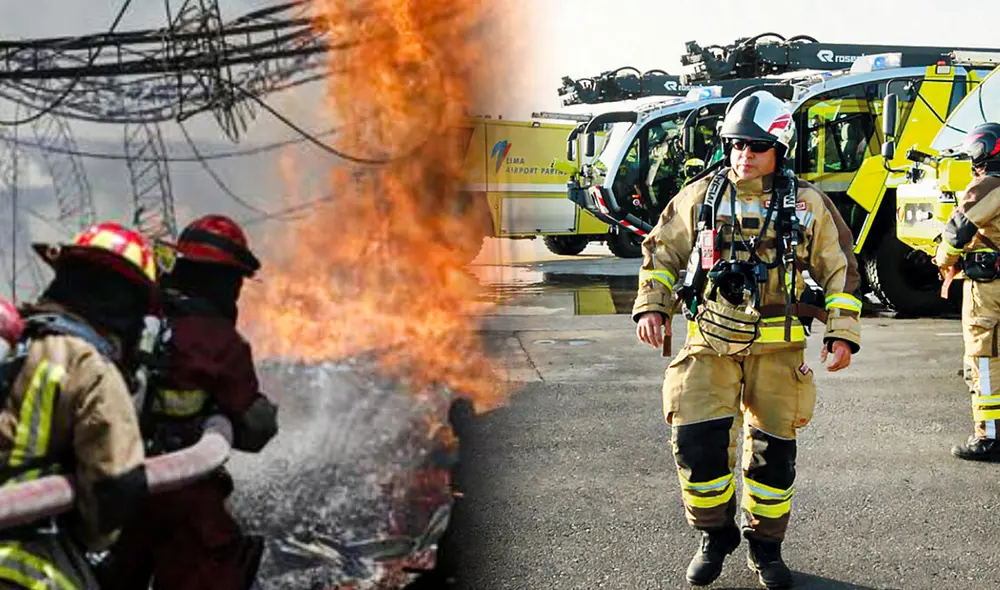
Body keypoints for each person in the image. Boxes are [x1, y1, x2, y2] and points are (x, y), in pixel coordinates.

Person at [633, 91, 862, 589]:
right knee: (697, 444)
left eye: (756, 145)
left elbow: (840, 271)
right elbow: (662, 255)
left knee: (773, 454)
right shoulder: (700, 197)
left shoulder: (810, 205)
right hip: (709, 344)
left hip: (779, 352)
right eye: (736, 144)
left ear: (780, 146)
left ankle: (766, 548)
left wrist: (842, 333)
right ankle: (715, 536)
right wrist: (653, 306)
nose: (744, 154)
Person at [104, 215, 278, 590]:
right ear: (227, 281)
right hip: (179, 494)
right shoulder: (219, 340)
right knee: (214, 568)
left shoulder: (140, 314)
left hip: (109, 484)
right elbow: (256, 427)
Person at [0, 222, 155, 589]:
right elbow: (116, 483)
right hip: (29, 568)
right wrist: (91, 537)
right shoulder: (90, 366)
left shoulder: (18, 343)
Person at [933, 122, 1000, 461]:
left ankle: (989, 436)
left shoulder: (988, 185)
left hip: (988, 288)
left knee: (984, 357)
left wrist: (942, 258)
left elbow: (957, 232)